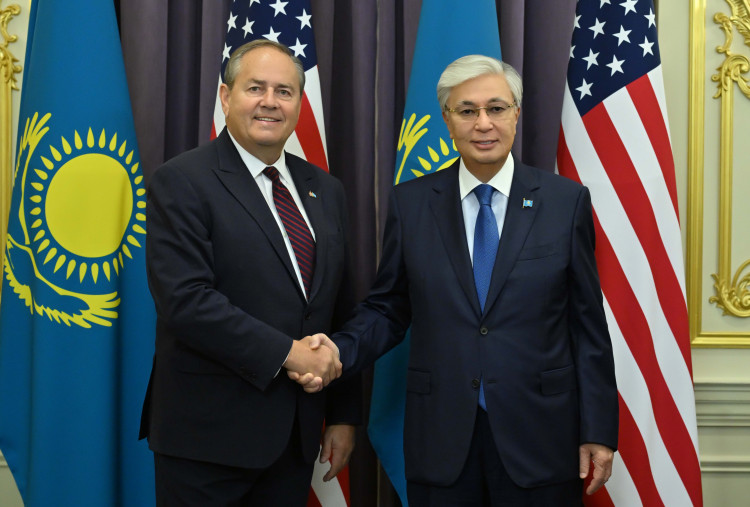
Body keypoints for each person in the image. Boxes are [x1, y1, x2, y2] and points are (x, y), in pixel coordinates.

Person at [290, 55, 618, 505]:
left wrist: (598, 429)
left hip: (541, 436)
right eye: (467, 110)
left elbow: (588, 327)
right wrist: (337, 351)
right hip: (441, 438)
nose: (483, 123)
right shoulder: (411, 203)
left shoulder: (565, 202)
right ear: (447, 119)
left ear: (516, 114)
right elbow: (388, 308)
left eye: (496, 108)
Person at [139, 40, 360, 506]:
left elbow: (339, 305)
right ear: (226, 96)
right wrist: (290, 355)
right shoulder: (182, 181)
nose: (270, 102)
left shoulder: (326, 190)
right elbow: (187, 301)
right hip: (206, 442)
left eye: (284, 91)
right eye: (255, 88)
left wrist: (343, 414)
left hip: (295, 439)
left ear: (299, 104)